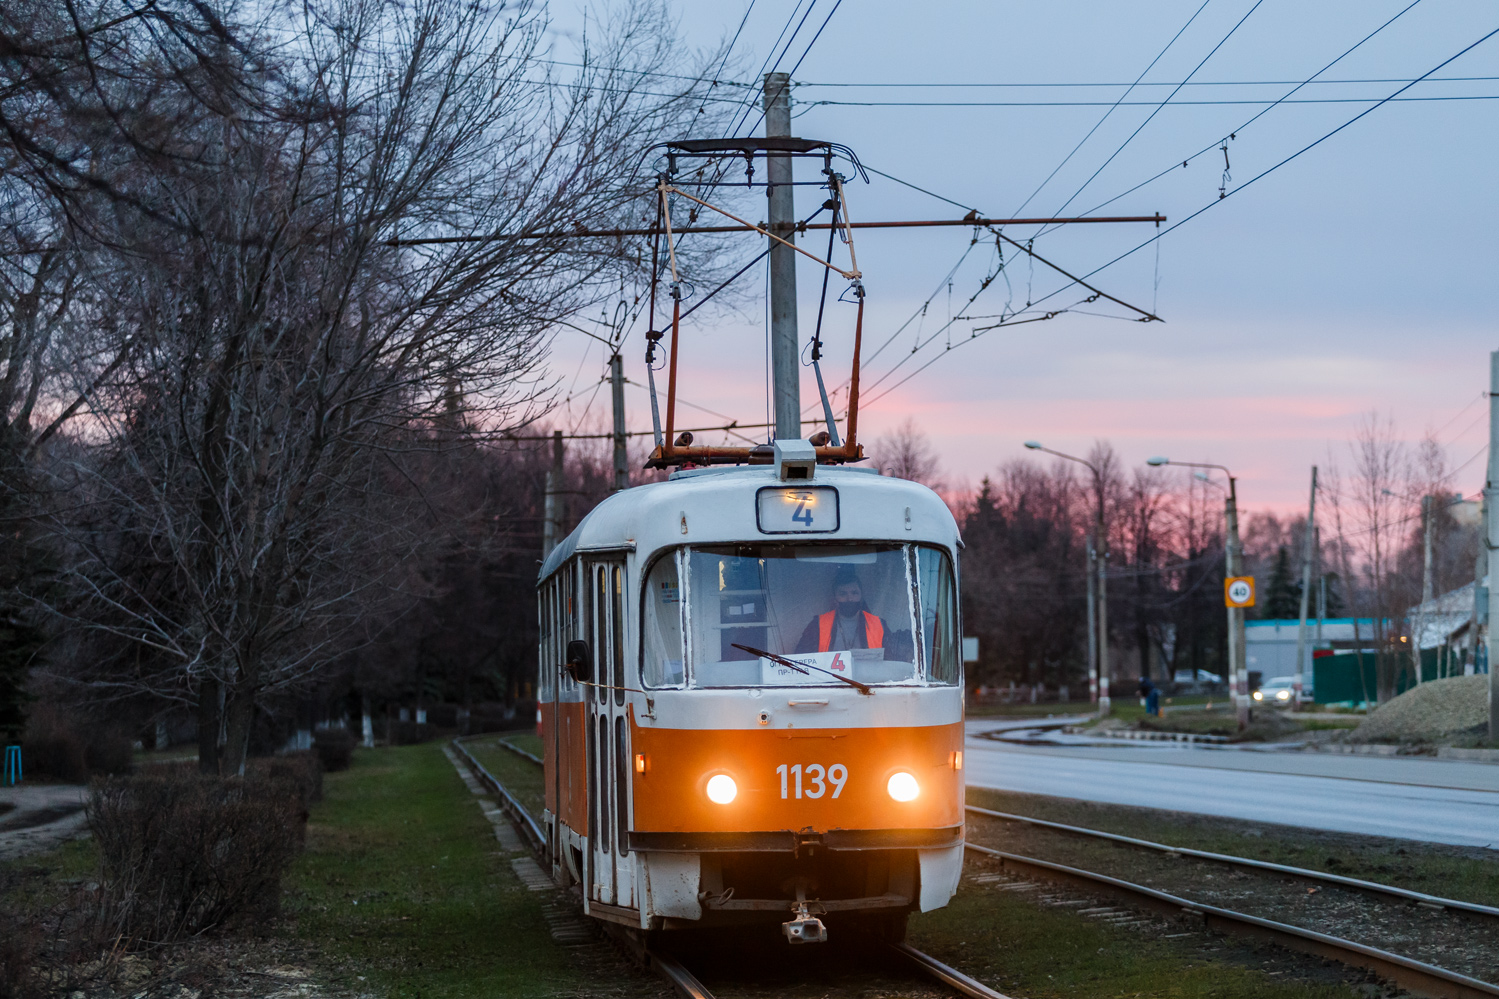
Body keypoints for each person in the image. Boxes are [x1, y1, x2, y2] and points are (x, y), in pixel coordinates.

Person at [795, 566, 889, 654]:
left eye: (854, 593)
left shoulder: (879, 624)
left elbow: (891, 661)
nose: (850, 599)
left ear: (861, 595)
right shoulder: (817, 624)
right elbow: (802, 660)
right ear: (834, 597)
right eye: (843, 594)